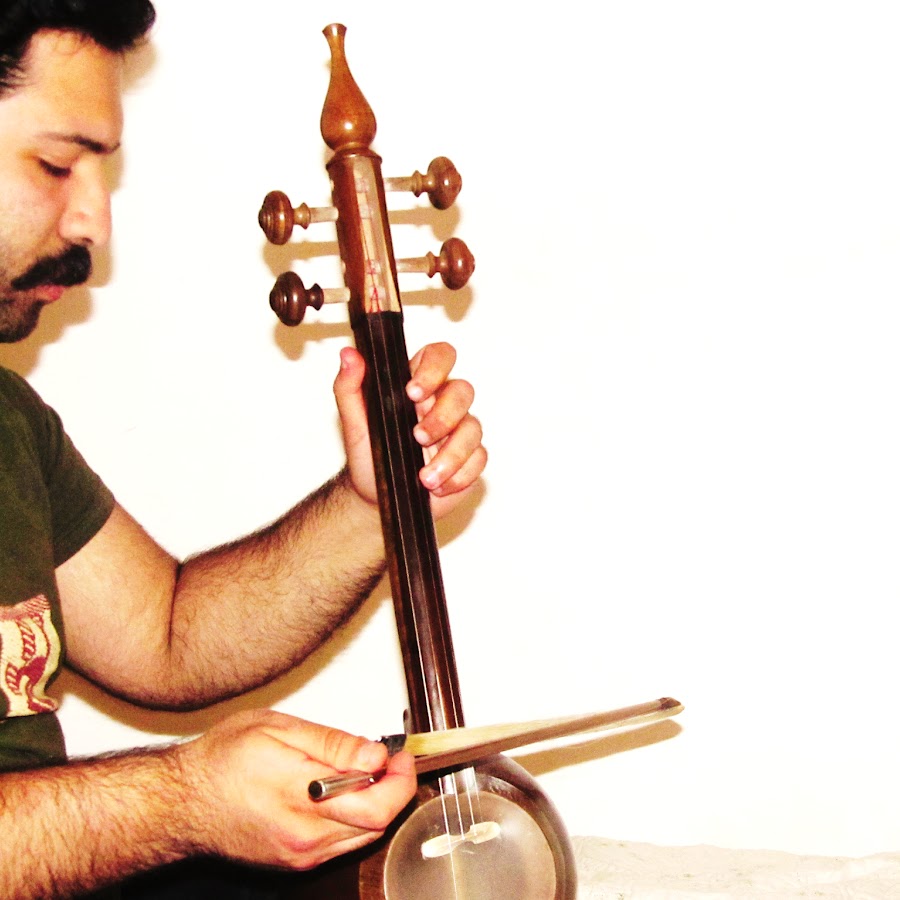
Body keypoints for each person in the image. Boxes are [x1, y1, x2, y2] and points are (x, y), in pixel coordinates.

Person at [0, 2, 487, 897]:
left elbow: (166, 635)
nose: (94, 223)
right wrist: (179, 802)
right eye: (57, 164)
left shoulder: (8, 420)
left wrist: (372, 503)